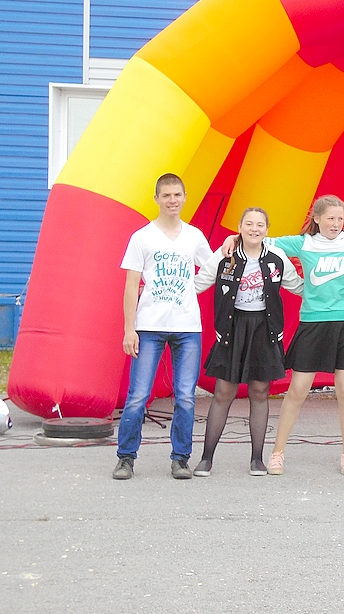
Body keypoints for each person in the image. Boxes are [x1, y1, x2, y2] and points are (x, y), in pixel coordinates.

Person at [221, 195, 344, 475]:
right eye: (330, 218)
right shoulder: (303, 243)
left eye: (340, 218)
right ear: (317, 219)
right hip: (313, 322)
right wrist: (232, 239)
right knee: (297, 389)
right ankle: (277, 453)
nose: (336, 223)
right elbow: (260, 241)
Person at [113, 173, 212, 481]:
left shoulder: (194, 236)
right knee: (138, 395)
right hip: (149, 326)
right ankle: (126, 457)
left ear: (184, 197)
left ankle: (181, 458)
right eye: (166, 195)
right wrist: (129, 328)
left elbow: (212, 268)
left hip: (187, 327)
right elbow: (131, 285)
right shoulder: (142, 237)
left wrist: (192, 287)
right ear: (156, 198)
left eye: (177, 195)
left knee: (185, 396)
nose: (172, 200)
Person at [192, 207, 303, 477]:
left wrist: (331, 289)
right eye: (249, 224)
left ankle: (257, 459)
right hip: (233, 328)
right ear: (240, 227)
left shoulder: (277, 257)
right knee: (223, 392)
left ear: (267, 229)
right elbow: (198, 283)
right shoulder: (225, 255)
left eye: (260, 225)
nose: (254, 229)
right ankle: (206, 458)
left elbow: (298, 286)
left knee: (260, 392)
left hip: (265, 330)